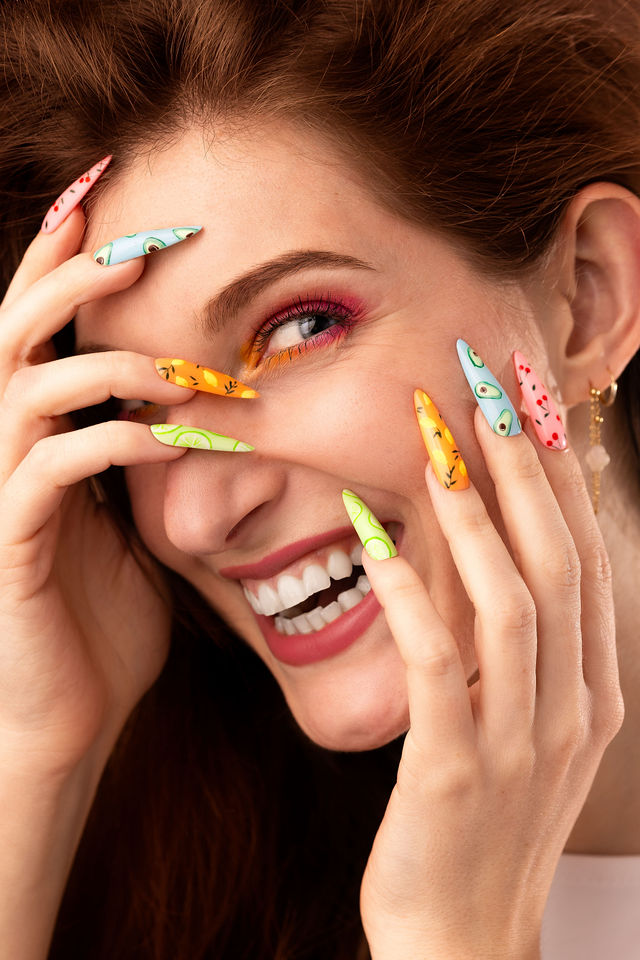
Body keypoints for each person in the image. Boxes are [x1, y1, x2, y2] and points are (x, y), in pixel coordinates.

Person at [0, 0, 638, 957]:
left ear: (589, 293)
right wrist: (39, 760)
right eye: (134, 406)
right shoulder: (170, 857)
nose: (197, 513)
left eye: (299, 328)